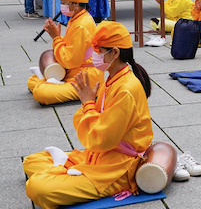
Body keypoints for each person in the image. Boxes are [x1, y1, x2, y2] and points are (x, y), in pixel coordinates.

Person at [23, 21, 154, 208]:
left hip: (116, 169)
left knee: (37, 188)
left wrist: (87, 103)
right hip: (98, 155)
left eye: (98, 49)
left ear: (115, 53)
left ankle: (63, 173)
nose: (94, 54)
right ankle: (63, 171)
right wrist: (89, 104)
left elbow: (99, 140)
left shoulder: (126, 89)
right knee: (32, 161)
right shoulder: (114, 79)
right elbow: (89, 127)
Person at [27, 0, 105, 105]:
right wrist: (58, 37)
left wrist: (56, 38)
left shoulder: (81, 25)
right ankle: (51, 81)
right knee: (32, 81)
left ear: (76, 4)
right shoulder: (77, 18)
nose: (62, 6)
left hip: (85, 78)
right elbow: (71, 45)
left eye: (64, 2)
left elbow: (70, 60)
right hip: (74, 71)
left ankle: (51, 82)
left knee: (41, 93)